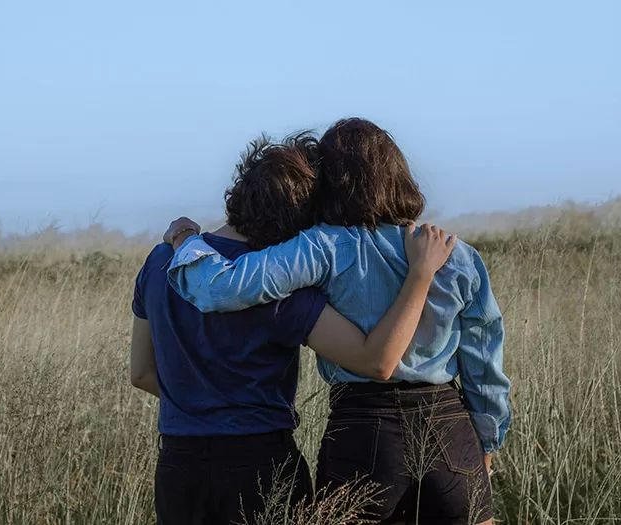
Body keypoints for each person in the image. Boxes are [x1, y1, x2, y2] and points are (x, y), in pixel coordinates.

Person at [164, 118, 509, 525]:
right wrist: (485, 446)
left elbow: (221, 289)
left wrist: (186, 240)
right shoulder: (458, 254)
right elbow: (485, 369)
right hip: (453, 433)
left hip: (364, 431)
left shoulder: (323, 246)